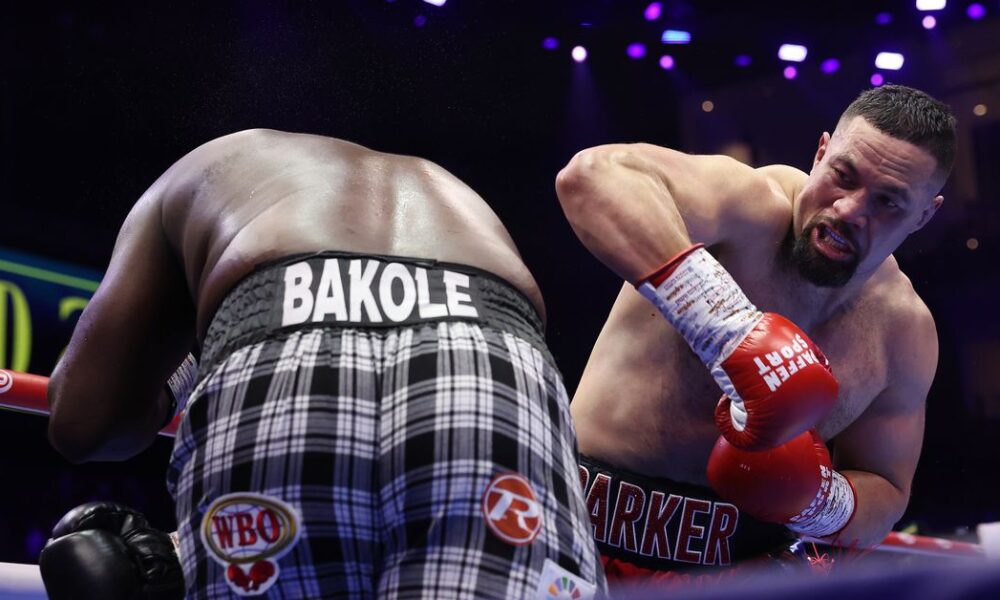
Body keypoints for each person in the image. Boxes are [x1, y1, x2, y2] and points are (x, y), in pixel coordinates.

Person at [45, 129, 606, 599]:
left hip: (280, 336)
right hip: (488, 360)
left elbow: (83, 424)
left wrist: (184, 366)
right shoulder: (448, 192)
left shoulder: (201, 171)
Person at [554, 85, 956, 585]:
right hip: (578, 538)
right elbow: (591, 177)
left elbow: (887, 490)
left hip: (738, 573)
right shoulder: (745, 206)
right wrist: (728, 329)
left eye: (888, 202)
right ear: (820, 152)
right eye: (842, 176)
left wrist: (819, 502)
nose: (850, 210)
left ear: (924, 214)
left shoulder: (903, 332)